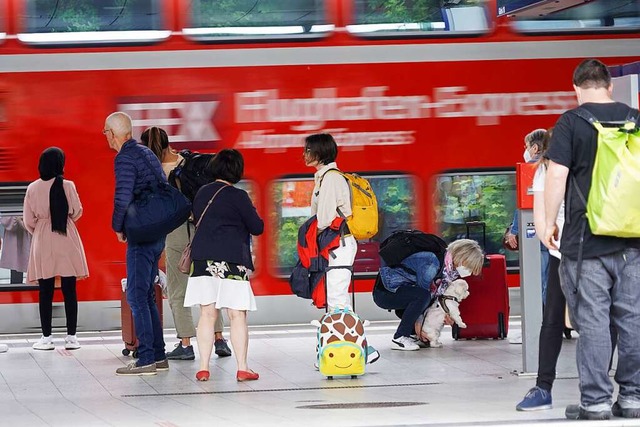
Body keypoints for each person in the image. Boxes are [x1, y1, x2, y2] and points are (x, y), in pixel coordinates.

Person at [543, 58, 640, 420]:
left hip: (586, 241)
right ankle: (633, 398)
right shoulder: (635, 118)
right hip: (633, 238)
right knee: (633, 319)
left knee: (594, 320)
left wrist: (550, 222)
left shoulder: (572, 122)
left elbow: (556, 177)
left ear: (576, 88)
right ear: (609, 86)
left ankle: (596, 402)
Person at [140, 127, 232, 361]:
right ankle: (219, 339)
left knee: (178, 287)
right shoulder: (190, 160)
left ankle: (186, 343)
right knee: (209, 283)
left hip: (177, 230)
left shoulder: (155, 171)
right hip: (205, 228)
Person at [183, 149, 264, 382]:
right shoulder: (238, 196)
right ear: (237, 170)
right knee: (237, 315)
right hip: (231, 260)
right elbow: (257, 227)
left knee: (207, 314)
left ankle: (203, 367)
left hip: (202, 260)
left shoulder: (201, 193)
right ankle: (242, 367)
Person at [304, 133, 379, 364]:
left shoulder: (331, 179)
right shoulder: (324, 178)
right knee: (337, 299)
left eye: (307, 150)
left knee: (336, 300)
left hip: (338, 244)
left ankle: (356, 350)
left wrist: (310, 232)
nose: (304, 154)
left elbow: (325, 218)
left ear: (318, 153)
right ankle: (346, 349)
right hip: (338, 244)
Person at [105, 112, 168, 376]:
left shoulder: (125, 158)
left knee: (135, 295)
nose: (105, 137)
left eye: (105, 132)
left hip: (140, 235)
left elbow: (122, 197)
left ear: (113, 134)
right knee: (146, 295)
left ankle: (146, 360)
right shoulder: (147, 154)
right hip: (157, 233)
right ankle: (159, 354)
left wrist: (118, 227)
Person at [516, 129, 569, 411]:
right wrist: (549, 238)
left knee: (603, 320)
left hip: (592, 252)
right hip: (562, 253)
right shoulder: (543, 170)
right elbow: (539, 217)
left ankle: (609, 388)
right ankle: (543, 386)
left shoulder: (587, 164)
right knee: (552, 321)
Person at [23, 147, 89, 351]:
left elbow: (28, 221)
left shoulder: (32, 188)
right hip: (66, 235)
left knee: (45, 291)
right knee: (70, 290)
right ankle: (71, 338)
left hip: (43, 238)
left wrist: (42, 228)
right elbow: (77, 211)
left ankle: (46, 338)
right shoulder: (68, 185)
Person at [373, 239, 484, 350]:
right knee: (422, 296)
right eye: (469, 266)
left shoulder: (447, 270)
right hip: (386, 292)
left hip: (404, 291)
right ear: (462, 257)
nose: (468, 272)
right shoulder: (432, 263)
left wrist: (444, 312)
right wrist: (419, 323)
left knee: (424, 298)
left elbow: (433, 298)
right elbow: (422, 296)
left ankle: (412, 335)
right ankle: (400, 338)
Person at [506, 129, 549, 345]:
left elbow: (525, 203)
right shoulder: (556, 167)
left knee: (535, 283)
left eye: (526, 146)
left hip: (537, 236)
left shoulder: (532, 167)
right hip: (555, 235)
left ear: (534, 148)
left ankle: (535, 329)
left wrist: (514, 230)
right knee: (549, 285)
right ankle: (551, 328)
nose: (524, 151)